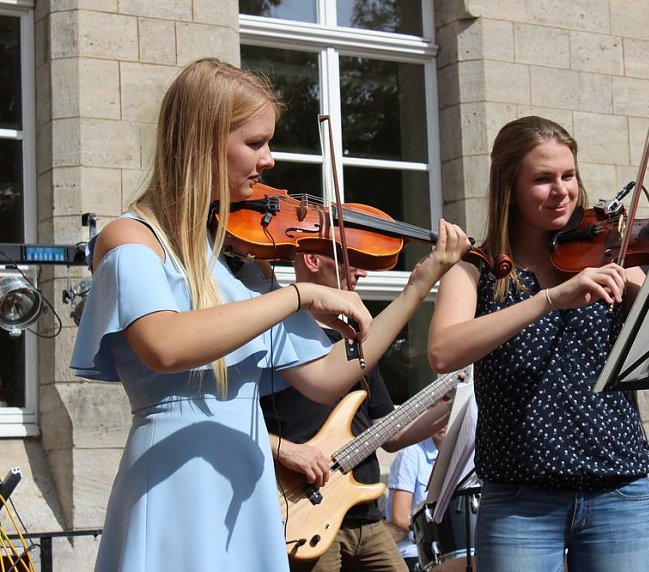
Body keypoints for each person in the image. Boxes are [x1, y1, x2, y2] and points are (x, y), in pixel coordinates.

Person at [69, 57, 470, 572]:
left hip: (248, 482)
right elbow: (164, 345)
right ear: (204, 142)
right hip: (177, 475)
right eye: (256, 143)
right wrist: (297, 296)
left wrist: (419, 285)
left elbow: (328, 378)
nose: (270, 160)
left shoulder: (239, 265)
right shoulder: (130, 238)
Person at [426, 116, 649, 572]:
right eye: (543, 179)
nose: (562, 191)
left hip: (618, 489)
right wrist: (548, 299)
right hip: (519, 500)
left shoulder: (611, 255)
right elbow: (442, 352)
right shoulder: (477, 269)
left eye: (568, 176)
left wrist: (643, 295)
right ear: (508, 186)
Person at [260, 251, 451, 572]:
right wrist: (285, 450)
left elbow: (392, 436)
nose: (362, 271)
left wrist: (452, 404)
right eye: (351, 259)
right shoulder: (274, 335)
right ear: (312, 259)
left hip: (365, 514)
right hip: (306, 513)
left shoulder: (357, 343)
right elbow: (231, 420)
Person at [386, 424, 447, 571]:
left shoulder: (470, 453)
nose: (444, 423)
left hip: (453, 550)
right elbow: (400, 518)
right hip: (415, 550)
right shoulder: (411, 453)